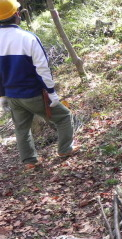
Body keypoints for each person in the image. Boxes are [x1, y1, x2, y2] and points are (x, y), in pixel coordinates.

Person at [0, 0, 78, 169]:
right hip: (33, 93)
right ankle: (65, 148)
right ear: (16, 14)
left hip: (12, 95)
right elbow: (42, 68)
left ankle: (30, 161)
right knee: (64, 117)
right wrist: (51, 93)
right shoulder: (28, 38)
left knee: (21, 129)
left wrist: (3, 96)